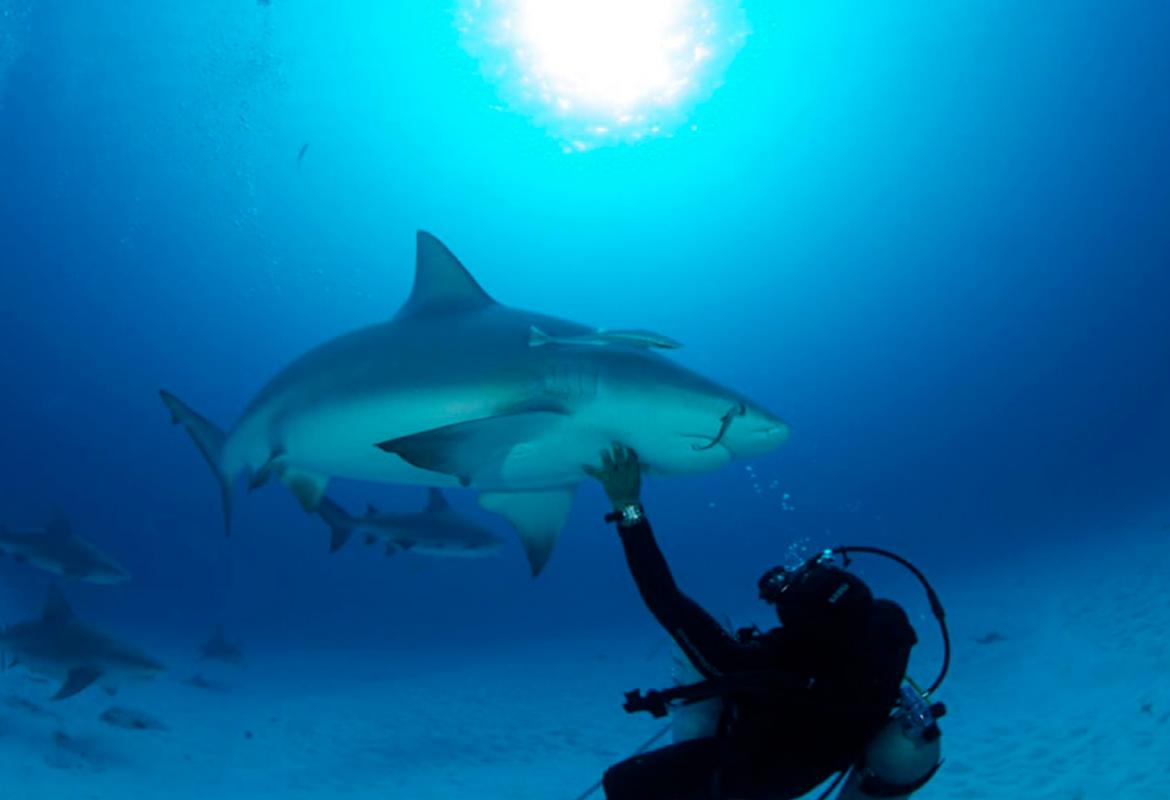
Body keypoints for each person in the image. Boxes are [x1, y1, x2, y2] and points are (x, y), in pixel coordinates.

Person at [585, 444, 921, 800]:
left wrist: (628, 506)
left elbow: (664, 598)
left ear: (802, 624)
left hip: (763, 775)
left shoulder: (772, 661)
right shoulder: (889, 621)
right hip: (833, 751)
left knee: (622, 781)